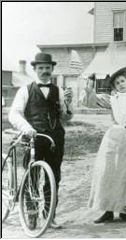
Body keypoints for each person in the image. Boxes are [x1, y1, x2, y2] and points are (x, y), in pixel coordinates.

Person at [8, 52, 74, 229]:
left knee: (54, 176)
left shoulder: (59, 90)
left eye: (47, 68)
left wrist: (68, 106)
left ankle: (49, 214)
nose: (44, 71)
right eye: (41, 68)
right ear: (35, 69)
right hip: (33, 138)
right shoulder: (26, 89)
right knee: (32, 175)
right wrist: (26, 128)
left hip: (55, 138)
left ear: (52, 69)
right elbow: (13, 114)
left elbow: (66, 118)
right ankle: (31, 215)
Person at [80, 67, 126, 223]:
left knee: (125, 175)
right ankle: (108, 211)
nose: (120, 84)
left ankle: (125, 211)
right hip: (112, 138)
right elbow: (91, 102)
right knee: (107, 172)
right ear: (114, 86)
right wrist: (89, 90)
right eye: (117, 83)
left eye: (122, 81)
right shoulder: (111, 99)